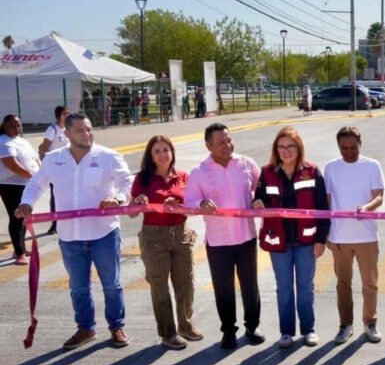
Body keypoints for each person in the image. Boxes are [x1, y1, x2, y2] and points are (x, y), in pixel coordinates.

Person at [16, 112, 134, 349]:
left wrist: (118, 199)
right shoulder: (53, 159)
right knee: (78, 287)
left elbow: (127, 183)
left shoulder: (108, 156)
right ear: (67, 133)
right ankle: (86, 328)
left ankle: (116, 326)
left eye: (89, 129)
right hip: (70, 236)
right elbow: (36, 184)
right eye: (80, 130)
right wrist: (27, 202)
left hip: (104, 233)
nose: (86, 134)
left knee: (111, 284)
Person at [184, 122, 263, 349]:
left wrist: (260, 199)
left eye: (229, 140)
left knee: (250, 285)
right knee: (223, 288)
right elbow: (189, 202)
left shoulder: (246, 164)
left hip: (246, 236)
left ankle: (252, 326)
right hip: (218, 241)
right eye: (221, 142)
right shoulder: (199, 172)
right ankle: (228, 330)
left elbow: (261, 188)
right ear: (209, 146)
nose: (227, 145)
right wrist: (201, 203)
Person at [253, 127, 330, 348]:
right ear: (276, 149)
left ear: (299, 148)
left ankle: (308, 330)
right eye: (281, 147)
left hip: (306, 242)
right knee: (284, 288)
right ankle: (286, 332)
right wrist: (257, 202)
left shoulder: (312, 171)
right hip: (280, 242)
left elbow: (323, 208)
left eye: (290, 146)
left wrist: (321, 239)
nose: (285, 151)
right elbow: (258, 198)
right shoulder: (267, 172)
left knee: (305, 287)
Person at [130, 135, 202, 350]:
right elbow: (132, 213)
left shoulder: (183, 177)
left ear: (172, 152)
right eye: (157, 151)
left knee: (186, 283)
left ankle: (185, 325)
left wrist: (179, 205)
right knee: (159, 285)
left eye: (166, 150)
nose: (162, 155)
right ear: (151, 156)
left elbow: (193, 207)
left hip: (181, 234)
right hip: (154, 237)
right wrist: (138, 202)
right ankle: (168, 333)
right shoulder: (143, 179)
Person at [323, 126, 384, 345]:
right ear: (338, 146)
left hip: (366, 235)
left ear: (360, 143)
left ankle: (370, 322)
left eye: (353, 147)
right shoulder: (331, 168)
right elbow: (327, 202)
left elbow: (379, 197)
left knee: (370, 283)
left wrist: (366, 208)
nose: (349, 152)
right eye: (344, 148)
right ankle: (345, 324)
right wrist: (326, 233)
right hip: (340, 236)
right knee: (343, 284)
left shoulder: (372, 166)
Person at [0, 115, 41, 265]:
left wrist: (41, 174)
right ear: (4, 126)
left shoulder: (22, 141)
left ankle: (20, 247)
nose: (17, 129)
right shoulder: (3, 142)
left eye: (18, 125)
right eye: (13, 126)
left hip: (27, 184)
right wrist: (32, 175)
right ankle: (19, 253)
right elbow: (12, 165)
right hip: (11, 186)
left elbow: (36, 159)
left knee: (24, 217)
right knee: (16, 217)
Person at [38, 105, 70, 235]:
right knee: (56, 195)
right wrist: (49, 164)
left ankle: (68, 220)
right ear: (58, 115)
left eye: (68, 113)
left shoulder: (69, 128)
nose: (67, 115)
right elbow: (43, 148)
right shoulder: (52, 129)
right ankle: (55, 223)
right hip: (56, 168)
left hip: (69, 167)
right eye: (65, 113)